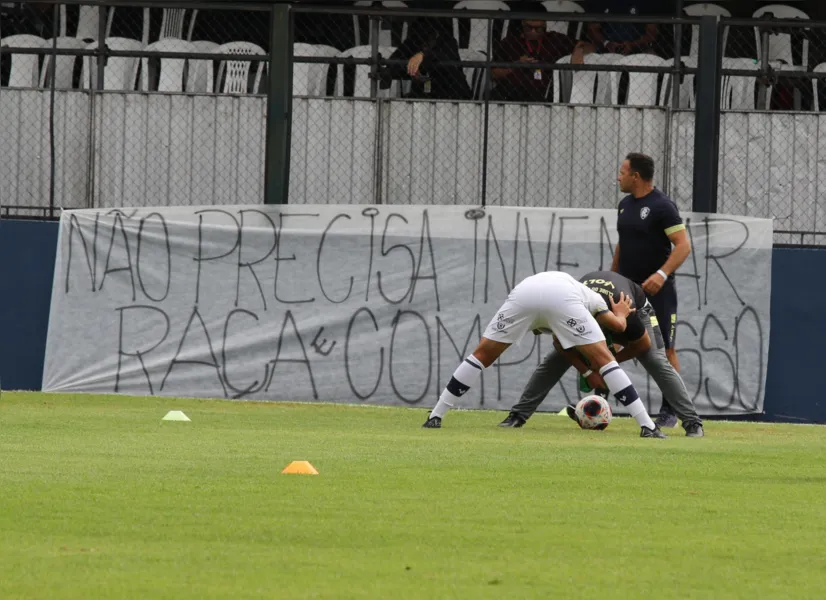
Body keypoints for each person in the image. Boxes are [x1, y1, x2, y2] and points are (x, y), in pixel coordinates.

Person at [422, 271, 667, 438]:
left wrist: (587, 371)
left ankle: (435, 416)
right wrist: (622, 313)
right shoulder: (590, 297)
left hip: (524, 293)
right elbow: (618, 327)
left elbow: (560, 343)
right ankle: (647, 426)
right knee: (606, 360)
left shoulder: (562, 285)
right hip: (562, 299)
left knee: (481, 355)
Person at [498, 270, 704, 437]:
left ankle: (693, 422)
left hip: (633, 310)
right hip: (592, 307)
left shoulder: (625, 312)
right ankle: (518, 415)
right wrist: (588, 372)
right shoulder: (568, 310)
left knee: (656, 361)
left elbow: (642, 345)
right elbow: (561, 346)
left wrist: (605, 365)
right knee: (554, 360)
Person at [612, 153, 691, 428]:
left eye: (622, 172)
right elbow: (622, 245)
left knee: (665, 351)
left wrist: (662, 273)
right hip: (626, 291)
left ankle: (671, 411)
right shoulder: (624, 206)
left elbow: (683, 245)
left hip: (659, 292)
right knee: (608, 341)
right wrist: (612, 278)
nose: (618, 177)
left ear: (636, 176)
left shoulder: (662, 206)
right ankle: (597, 401)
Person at [491, 18, 595, 103]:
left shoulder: (555, 39)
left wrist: (578, 50)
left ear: (545, 25)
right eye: (528, 28)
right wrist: (515, 66)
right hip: (511, 92)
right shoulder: (510, 42)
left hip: (544, 93)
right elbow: (493, 73)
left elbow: (590, 46)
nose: (533, 32)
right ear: (522, 23)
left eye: (538, 29)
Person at [375, 17, 471, 100]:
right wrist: (391, 68)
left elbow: (445, 58)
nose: (424, 44)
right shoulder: (414, 40)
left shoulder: (448, 40)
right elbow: (399, 55)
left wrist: (423, 55)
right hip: (425, 92)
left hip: (452, 94)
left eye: (429, 40)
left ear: (436, 34)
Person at [586, 0, 659, 55]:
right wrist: (606, 43)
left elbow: (652, 33)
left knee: (652, 56)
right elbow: (592, 29)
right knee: (586, 51)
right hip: (606, 46)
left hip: (638, 46)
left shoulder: (647, 2)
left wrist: (632, 44)